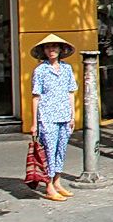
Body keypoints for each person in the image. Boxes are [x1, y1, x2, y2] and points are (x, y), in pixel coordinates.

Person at [30, 34, 78, 202]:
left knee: (61, 150)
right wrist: (34, 123)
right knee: (49, 151)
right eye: (48, 47)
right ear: (44, 51)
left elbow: (71, 92)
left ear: (60, 49)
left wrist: (73, 116)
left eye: (54, 47)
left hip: (64, 115)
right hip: (47, 117)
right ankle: (48, 185)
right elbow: (36, 97)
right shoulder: (41, 70)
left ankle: (57, 181)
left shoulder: (67, 69)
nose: (51, 50)